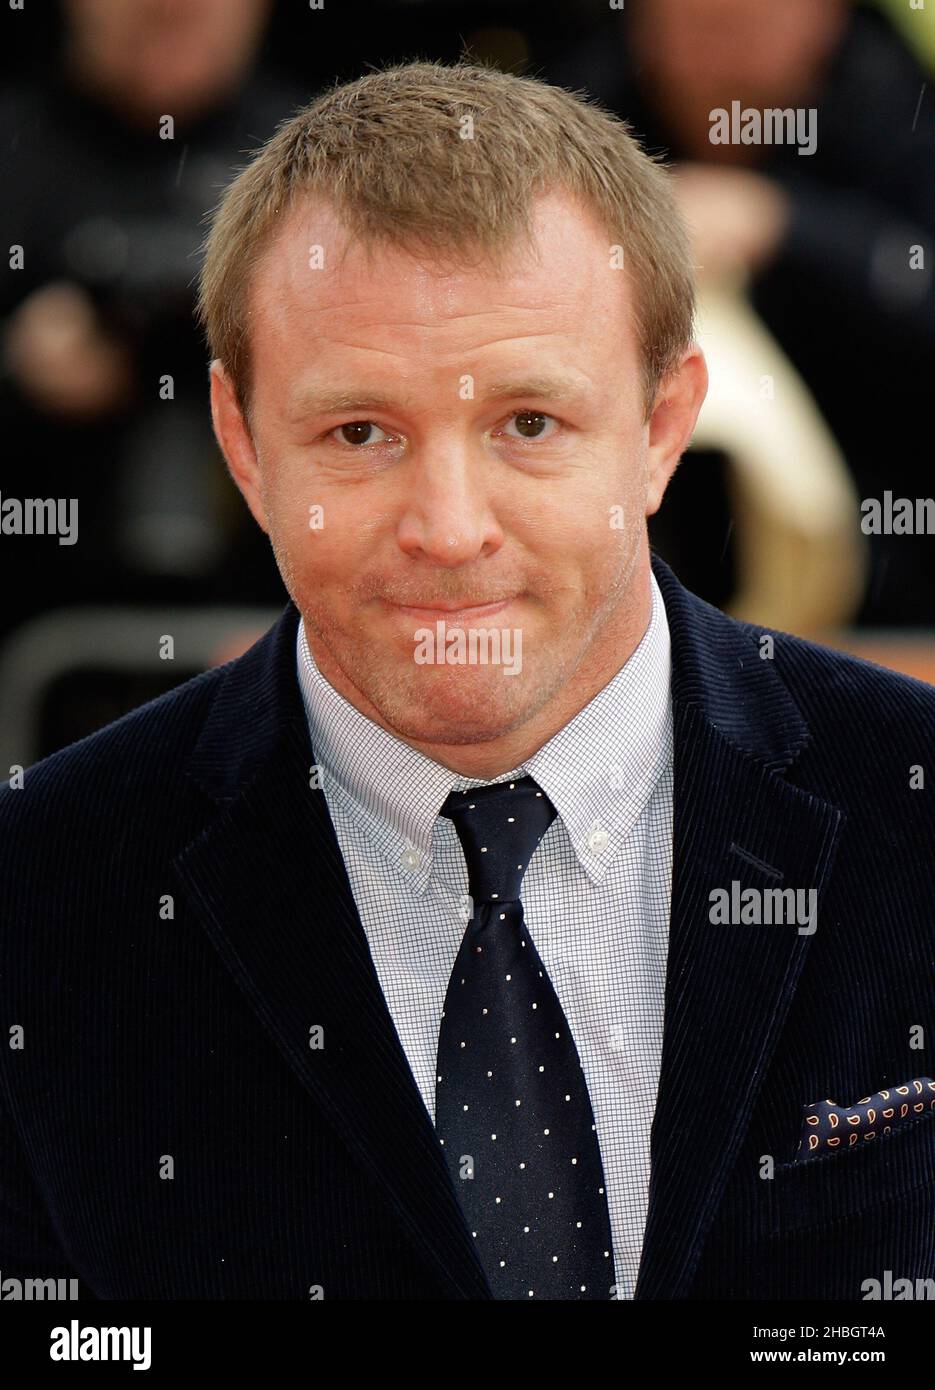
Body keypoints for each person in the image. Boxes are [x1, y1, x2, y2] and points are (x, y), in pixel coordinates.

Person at [1, 60, 933, 1302]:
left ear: (662, 427)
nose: (448, 527)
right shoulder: (38, 906)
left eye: (527, 425)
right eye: (360, 433)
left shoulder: (911, 816)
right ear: (241, 441)